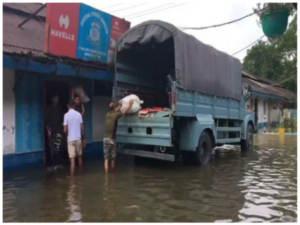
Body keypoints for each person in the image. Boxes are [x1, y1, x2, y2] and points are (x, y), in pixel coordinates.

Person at [103, 100, 133, 173]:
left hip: (105, 139)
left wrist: (120, 106)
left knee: (106, 159)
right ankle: (113, 175)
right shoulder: (116, 115)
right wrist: (130, 105)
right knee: (113, 159)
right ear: (114, 108)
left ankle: (106, 177)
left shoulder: (107, 115)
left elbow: (114, 110)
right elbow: (124, 112)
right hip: (112, 139)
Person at [63, 99, 85, 176]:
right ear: (74, 106)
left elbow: (65, 130)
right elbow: (82, 128)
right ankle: (80, 174)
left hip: (70, 140)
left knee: (72, 160)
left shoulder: (66, 115)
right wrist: (83, 139)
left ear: (68, 106)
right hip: (78, 139)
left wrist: (66, 136)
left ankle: (72, 179)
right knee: (79, 157)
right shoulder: (79, 114)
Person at [47, 94, 64, 171]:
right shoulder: (49, 108)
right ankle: (53, 164)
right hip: (51, 131)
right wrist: (48, 130)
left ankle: (58, 164)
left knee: (58, 148)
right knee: (52, 148)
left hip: (59, 130)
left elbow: (63, 120)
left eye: (57, 98)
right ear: (52, 99)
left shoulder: (60, 108)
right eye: (55, 98)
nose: (56, 99)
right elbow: (47, 120)